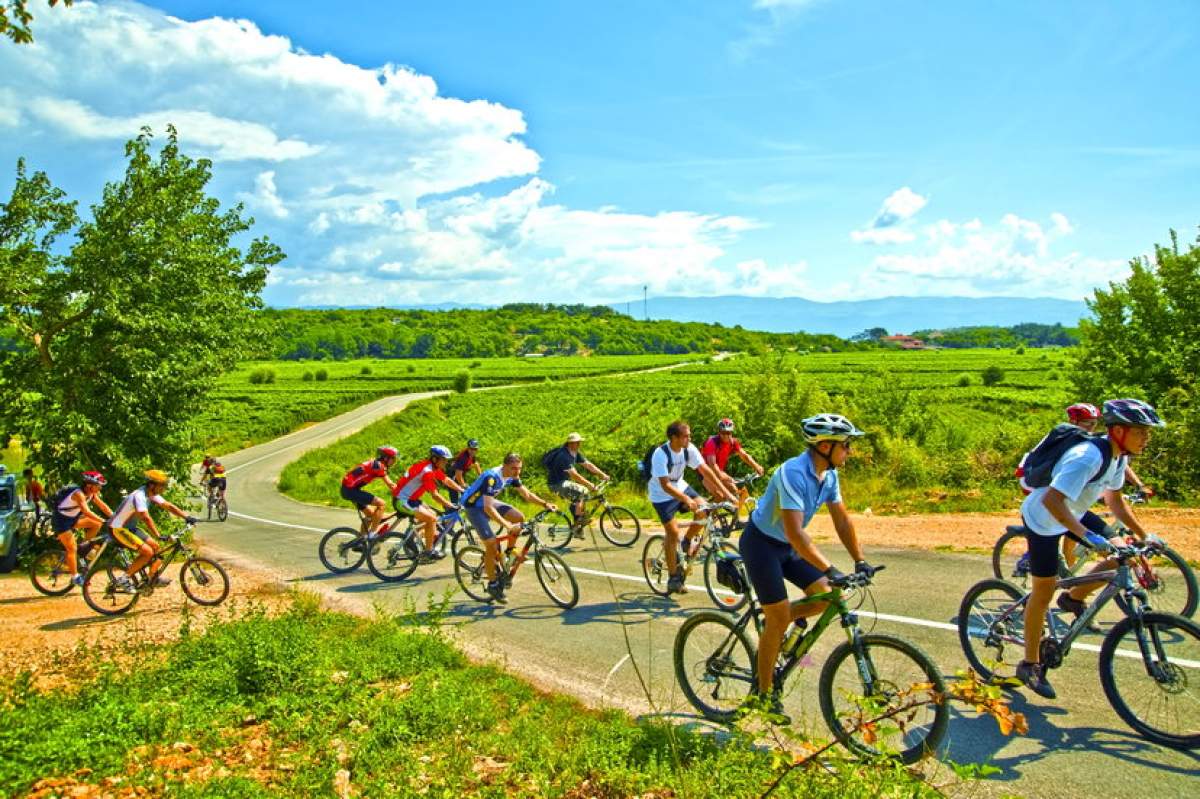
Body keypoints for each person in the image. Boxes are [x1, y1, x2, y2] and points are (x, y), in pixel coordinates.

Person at [1015, 398, 1164, 700]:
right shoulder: (1086, 457)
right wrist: (1088, 537)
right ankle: (1029, 663)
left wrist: (1144, 536)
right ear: (1119, 430)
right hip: (1044, 518)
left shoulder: (1119, 457)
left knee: (1123, 554)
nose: (1146, 438)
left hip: (1076, 512)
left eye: (1148, 433)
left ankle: (1073, 598)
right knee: (1043, 591)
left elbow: (1115, 502)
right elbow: (1051, 501)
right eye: (1140, 432)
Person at [737, 414, 875, 718]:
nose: (849, 450)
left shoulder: (829, 474)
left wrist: (859, 560)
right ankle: (764, 696)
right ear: (825, 445)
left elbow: (841, 519)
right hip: (761, 545)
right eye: (846, 445)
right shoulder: (792, 473)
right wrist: (830, 568)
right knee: (778, 617)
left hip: (786, 548)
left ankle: (780, 621)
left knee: (826, 596)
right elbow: (796, 533)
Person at [647, 420, 736, 594]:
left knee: (703, 510)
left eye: (689, 435)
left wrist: (727, 493)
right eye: (686, 436)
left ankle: (687, 541)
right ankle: (673, 578)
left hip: (679, 485)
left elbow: (706, 470)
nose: (690, 438)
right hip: (661, 494)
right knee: (672, 533)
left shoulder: (689, 449)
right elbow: (665, 485)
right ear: (674, 438)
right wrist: (686, 499)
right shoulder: (661, 454)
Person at [460, 453, 558, 603]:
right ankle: (493, 584)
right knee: (492, 544)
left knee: (519, 517)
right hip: (474, 507)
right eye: (513, 468)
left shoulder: (512, 476)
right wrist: (507, 525)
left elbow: (527, 494)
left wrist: (545, 504)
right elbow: (487, 508)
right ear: (504, 465)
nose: (517, 472)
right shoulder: (491, 477)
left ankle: (509, 552)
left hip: (488, 503)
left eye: (519, 468)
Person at [108, 469, 198, 589]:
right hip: (118, 529)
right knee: (148, 552)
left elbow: (168, 506)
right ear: (151, 485)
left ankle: (152, 578)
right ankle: (124, 578)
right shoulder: (139, 496)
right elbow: (145, 517)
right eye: (162, 485)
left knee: (156, 548)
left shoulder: (150, 494)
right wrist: (157, 534)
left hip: (130, 528)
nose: (164, 488)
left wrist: (186, 516)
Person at [391, 445, 466, 559]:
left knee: (433, 515)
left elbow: (446, 480)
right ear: (435, 459)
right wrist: (451, 505)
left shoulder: (430, 467)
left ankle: (410, 537)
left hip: (411, 500)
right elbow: (435, 495)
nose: (446, 462)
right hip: (402, 501)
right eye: (444, 460)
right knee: (431, 520)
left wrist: (461, 490)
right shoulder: (427, 472)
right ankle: (428, 552)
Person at [50, 471, 114, 585]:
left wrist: (115, 517)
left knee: (96, 524)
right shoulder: (78, 494)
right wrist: (103, 520)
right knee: (71, 549)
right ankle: (75, 577)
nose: (100, 487)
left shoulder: (92, 494)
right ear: (89, 485)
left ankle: (83, 548)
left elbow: (103, 507)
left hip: (73, 519)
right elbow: (86, 511)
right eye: (98, 485)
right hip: (61, 521)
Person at [700, 418, 765, 527]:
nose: (726, 436)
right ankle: (708, 517)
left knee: (735, 490)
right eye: (723, 433)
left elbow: (744, 455)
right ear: (719, 432)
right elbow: (712, 465)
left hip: (718, 471)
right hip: (705, 471)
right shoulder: (712, 443)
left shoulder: (733, 442)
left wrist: (756, 466)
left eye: (729, 433)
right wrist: (723, 476)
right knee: (720, 495)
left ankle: (737, 521)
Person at [544, 433, 610, 528]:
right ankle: (579, 519)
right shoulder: (564, 456)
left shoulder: (574, 452)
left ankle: (576, 528)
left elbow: (588, 465)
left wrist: (602, 474)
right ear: (570, 443)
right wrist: (589, 484)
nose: (579, 444)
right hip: (557, 484)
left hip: (564, 482)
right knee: (583, 491)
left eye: (579, 442)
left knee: (579, 499)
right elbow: (574, 475)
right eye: (576, 442)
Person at [340, 446, 399, 533]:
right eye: (393, 459)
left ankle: (361, 542)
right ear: (386, 458)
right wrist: (407, 493)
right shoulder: (379, 466)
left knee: (370, 515)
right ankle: (372, 534)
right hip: (351, 491)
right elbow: (391, 485)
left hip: (348, 490)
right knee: (381, 504)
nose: (394, 462)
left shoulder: (375, 463)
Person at [447, 440, 482, 504]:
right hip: (453, 475)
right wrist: (463, 485)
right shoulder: (464, 458)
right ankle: (450, 509)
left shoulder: (471, 455)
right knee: (455, 496)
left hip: (461, 474)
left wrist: (482, 477)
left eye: (475, 449)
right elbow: (458, 474)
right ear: (468, 448)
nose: (473, 451)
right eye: (471, 449)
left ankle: (460, 507)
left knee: (465, 494)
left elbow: (476, 464)